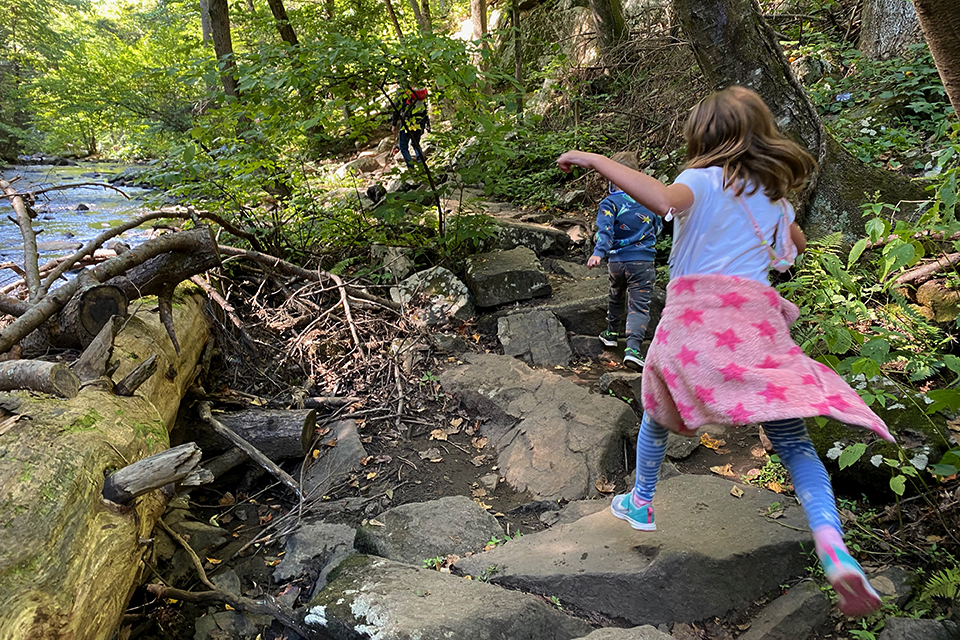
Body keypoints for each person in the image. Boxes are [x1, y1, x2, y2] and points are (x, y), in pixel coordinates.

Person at [557, 86, 894, 618]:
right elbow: (795, 250)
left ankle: (641, 500)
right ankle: (833, 545)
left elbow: (665, 200)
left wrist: (600, 160)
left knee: (655, 408)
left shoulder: (699, 179)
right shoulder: (775, 202)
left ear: (705, 138)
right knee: (796, 445)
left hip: (695, 324)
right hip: (755, 329)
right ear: (761, 136)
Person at [589, 151, 662, 370]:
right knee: (639, 305)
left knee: (616, 295)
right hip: (642, 261)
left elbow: (605, 231)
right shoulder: (648, 199)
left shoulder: (609, 203)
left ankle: (611, 333)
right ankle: (632, 349)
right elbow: (658, 227)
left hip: (616, 262)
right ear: (638, 174)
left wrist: (599, 253)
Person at [391, 87, 430, 166]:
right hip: (420, 119)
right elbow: (425, 108)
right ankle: (421, 165)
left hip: (408, 120)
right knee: (415, 143)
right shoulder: (420, 89)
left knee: (403, 146)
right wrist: (427, 123)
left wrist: (394, 124)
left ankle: (411, 168)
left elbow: (396, 107)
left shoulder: (403, 90)